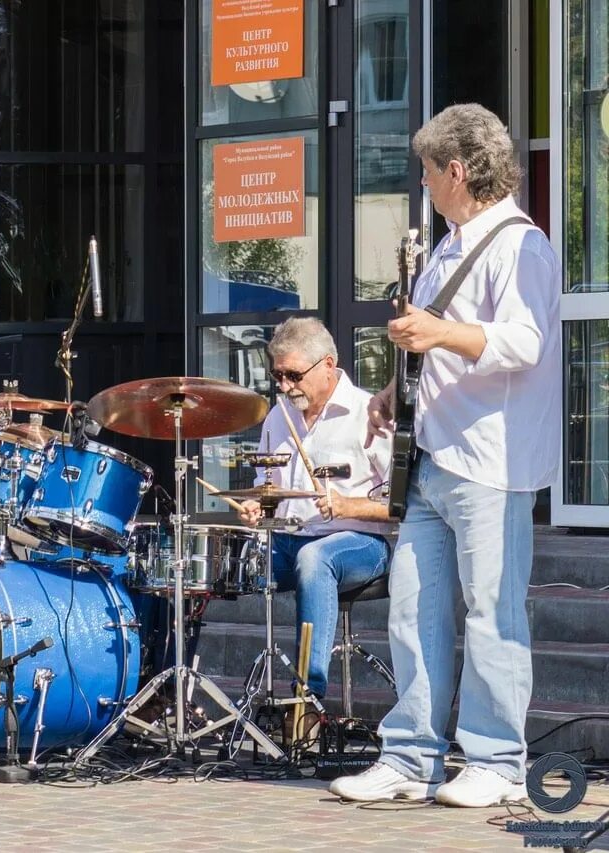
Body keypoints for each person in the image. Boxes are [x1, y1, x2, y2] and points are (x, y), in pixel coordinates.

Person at [330, 104, 560, 807]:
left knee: (492, 612)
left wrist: (436, 333)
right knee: (413, 608)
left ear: (457, 171)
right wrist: (392, 397)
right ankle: (411, 755)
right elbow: (432, 346)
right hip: (434, 454)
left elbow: (524, 342)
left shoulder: (523, 245)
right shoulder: (450, 246)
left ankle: (496, 760)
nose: (424, 185)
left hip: (490, 460)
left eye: (429, 172)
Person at [237, 318, 394, 714]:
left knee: (315, 558)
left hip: (360, 542)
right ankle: (173, 687)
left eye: (293, 375)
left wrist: (348, 505)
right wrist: (260, 505)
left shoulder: (367, 411)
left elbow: (405, 504)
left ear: (327, 365)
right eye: (278, 376)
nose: (286, 386)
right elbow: (268, 486)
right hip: (290, 537)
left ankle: (308, 698)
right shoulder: (279, 416)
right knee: (217, 562)